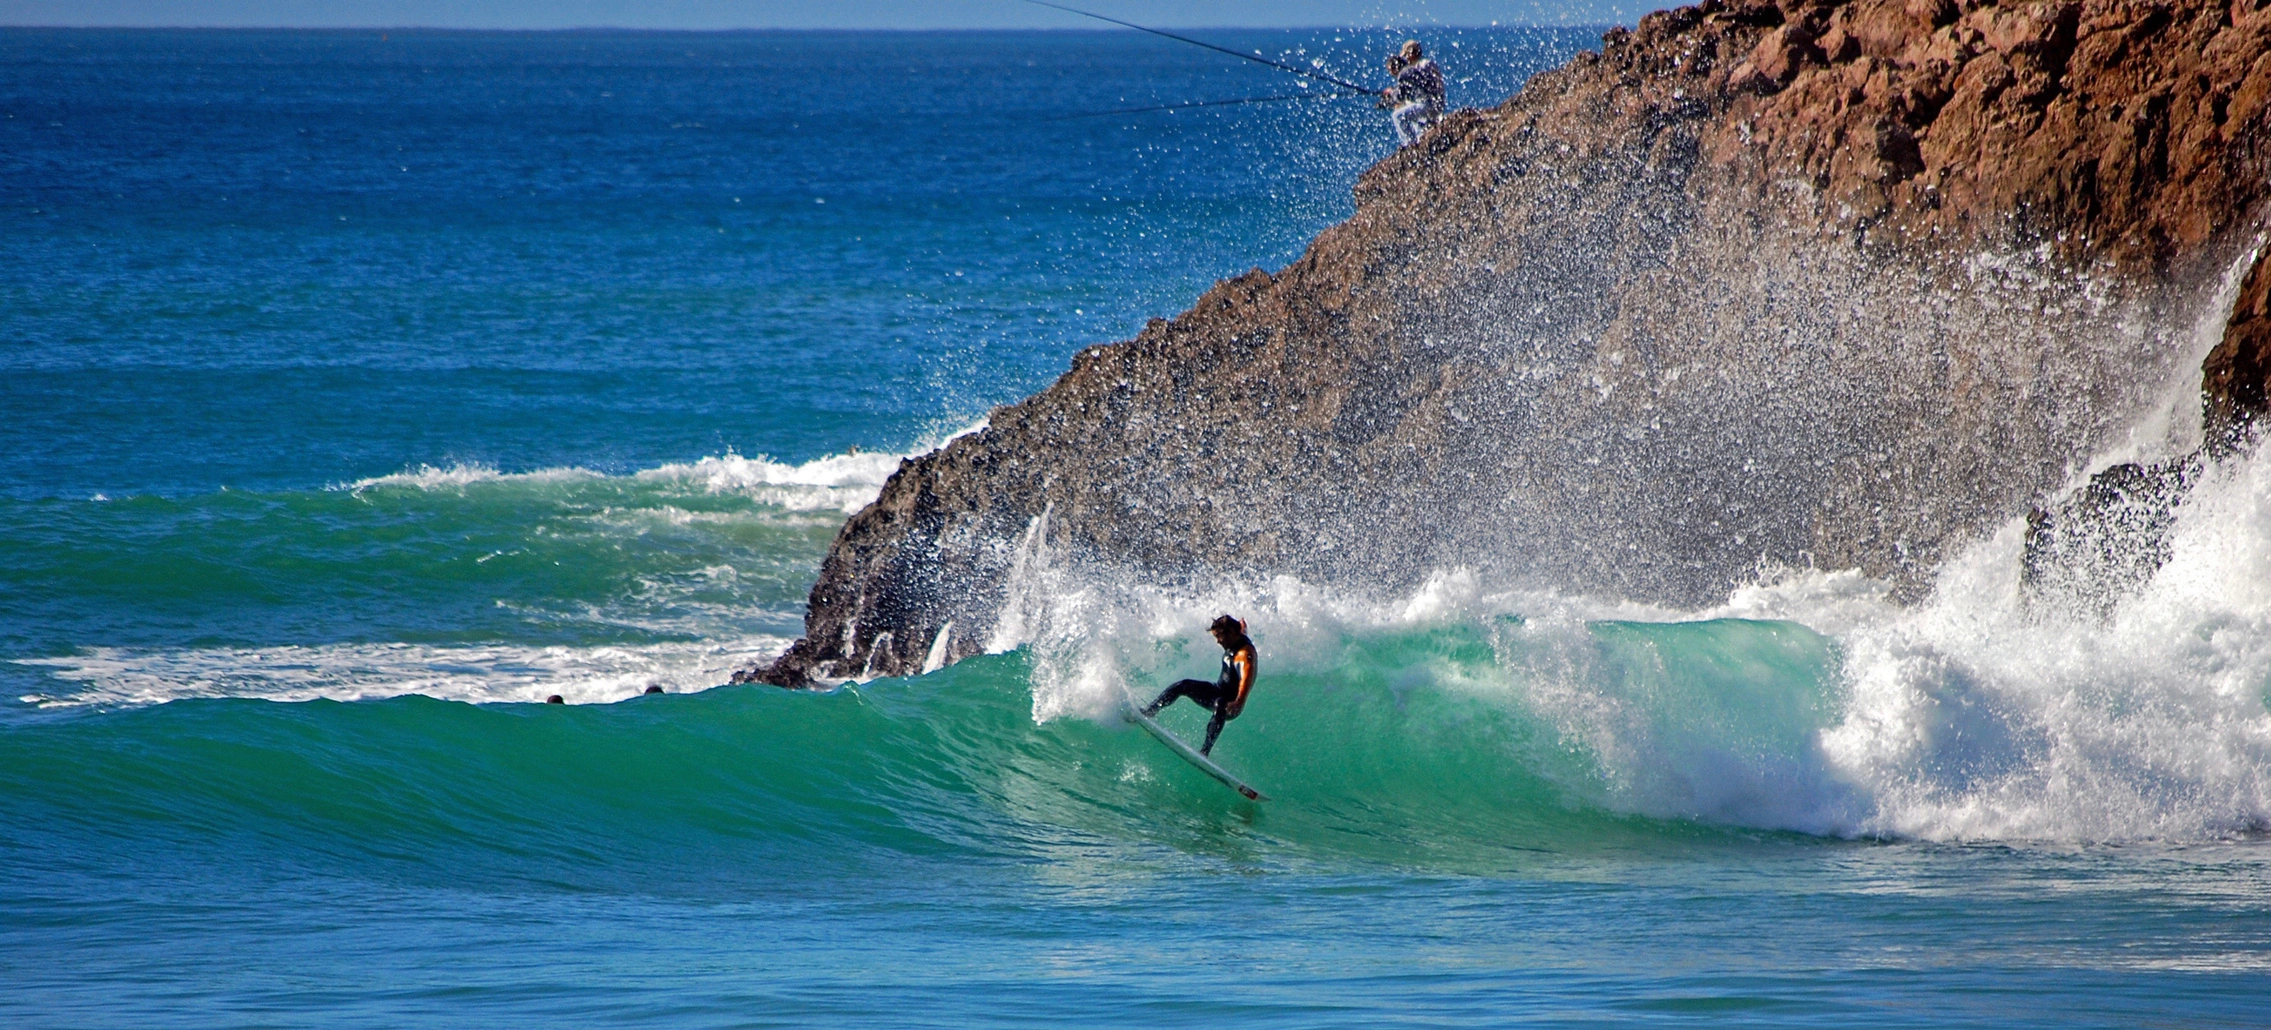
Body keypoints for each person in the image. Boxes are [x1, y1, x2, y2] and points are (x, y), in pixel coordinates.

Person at [1140, 615, 1257, 755]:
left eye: (1220, 637)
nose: (1218, 641)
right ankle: (1150, 711)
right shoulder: (1237, 635)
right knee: (1183, 685)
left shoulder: (1245, 654)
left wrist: (1238, 702)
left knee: (1220, 704)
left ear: (1231, 633)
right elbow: (1241, 629)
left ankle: (1205, 751)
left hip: (1231, 703)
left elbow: (1246, 678)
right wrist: (1242, 623)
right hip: (1218, 689)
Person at [1381, 39, 1446, 148]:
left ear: (1410, 54)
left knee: (1399, 116)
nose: (1405, 59)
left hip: (1428, 105)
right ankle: (1422, 144)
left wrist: (1391, 95)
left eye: (1405, 55)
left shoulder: (1413, 69)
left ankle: (1411, 145)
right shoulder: (1428, 64)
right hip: (1437, 104)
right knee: (1419, 124)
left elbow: (1400, 95)